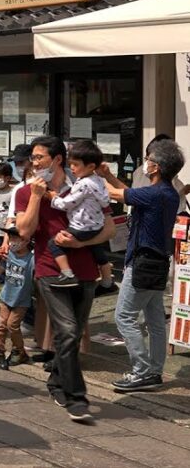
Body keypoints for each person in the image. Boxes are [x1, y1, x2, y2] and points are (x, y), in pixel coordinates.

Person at [15, 136, 114, 422]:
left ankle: (56, 381)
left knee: (71, 332)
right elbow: (24, 231)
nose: (34, 163)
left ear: (57, 160)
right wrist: (35, 196)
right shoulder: (26, 192)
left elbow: (109, 229)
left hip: (84, 270)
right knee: (69, 332)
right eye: (32, 159)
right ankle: (76, 398)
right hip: (49, 269)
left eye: (38, 157)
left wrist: (81, 245)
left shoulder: (85, 183)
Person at [102, 138, 184, 393]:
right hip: (157, 261)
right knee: (155, 319)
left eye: (148, 160)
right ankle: (154, 371)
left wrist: (96, 173)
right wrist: (107, 174)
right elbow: (127, 193)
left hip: (143, 262)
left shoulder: (154, 194)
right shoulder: (165, 192)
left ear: (156, 166)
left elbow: (116, 194)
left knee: (124, 316)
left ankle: (141, 372)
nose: (145, 163)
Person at [43, 140, 111, 288]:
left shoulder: (83, 184)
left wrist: (53, 198)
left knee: (54, 244)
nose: (71, 168)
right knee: (96, 247)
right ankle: (107, 280)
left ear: (91, 166)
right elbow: (106, 201)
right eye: (71, 163)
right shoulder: (98, 180)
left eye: (76, 164)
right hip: (96, 225)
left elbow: (68, 204)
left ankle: (67, 273)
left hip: (82, 226)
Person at [0, 224, 34, 370]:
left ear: (26, 240)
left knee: (12, 325)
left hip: (21, 300)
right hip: (6, 296)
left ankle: (19, 351)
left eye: (16, 238)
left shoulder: (31, 259)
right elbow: (0, 272)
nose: (12, 241)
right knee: (2, 325)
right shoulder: (8, 254)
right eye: (11, 237)